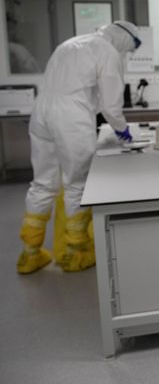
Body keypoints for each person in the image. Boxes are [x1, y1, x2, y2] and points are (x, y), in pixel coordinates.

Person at [17, 21, 139, 274]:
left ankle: (30, 253)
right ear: (124, 39)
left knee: (42, 183)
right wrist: (122, 130)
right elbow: (110, 105)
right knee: (77, 185)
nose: (129, 52)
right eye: (131, 47)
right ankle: (75, 252)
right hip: (70, 118)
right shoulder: (107, 51)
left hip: (41, 114)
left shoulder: (69, 44)